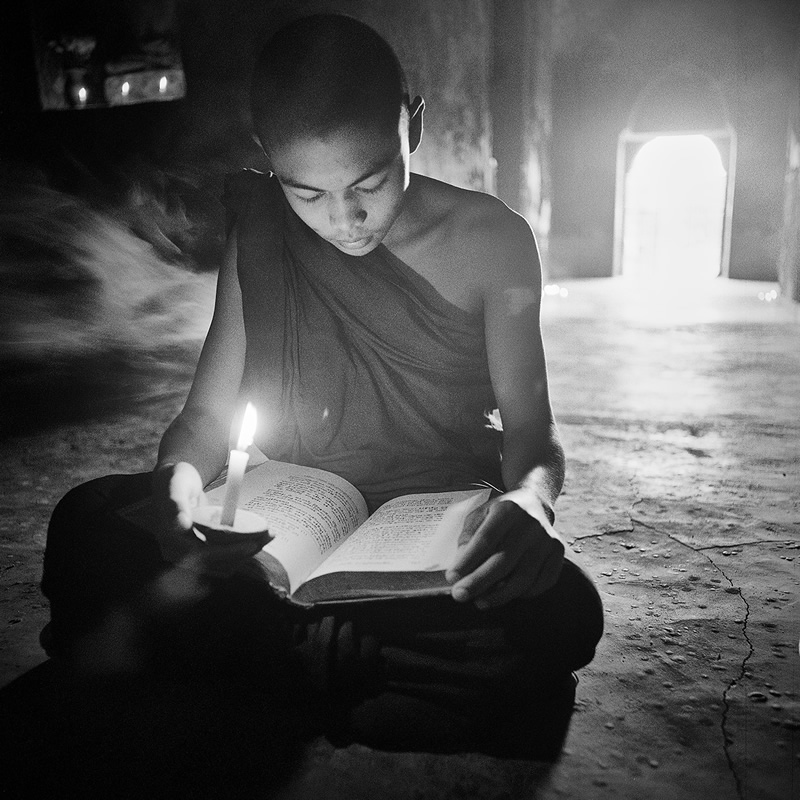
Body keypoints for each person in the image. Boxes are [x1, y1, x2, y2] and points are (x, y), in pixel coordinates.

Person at [40, 13, 603, 762]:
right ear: (270, 164)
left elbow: (533, 432)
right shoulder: (260, 225)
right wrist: (177, 483)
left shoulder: (492, 242)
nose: (346, 219)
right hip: (287, 514)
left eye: (370, 181)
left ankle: (252, 661)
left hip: (422, 522)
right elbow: (207, 412)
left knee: (563, 611)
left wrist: (531, 503)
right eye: (308, 194)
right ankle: (337, 665)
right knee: (84, 520)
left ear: (415, 124)